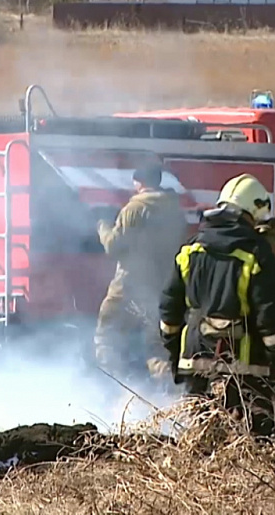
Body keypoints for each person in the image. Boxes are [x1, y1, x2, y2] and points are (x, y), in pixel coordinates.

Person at [158, 173, 275, 442]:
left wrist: (175, 357)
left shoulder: (190, 249)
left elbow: (169, 311)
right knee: (255, 443)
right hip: (246, 367)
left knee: (199, 439)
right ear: (254, 212)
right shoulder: (257, 254)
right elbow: (272, 324)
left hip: (196, 359)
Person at [94, 161, 190, 385]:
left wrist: (102, 224)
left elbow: (114, 246)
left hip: (129, 285)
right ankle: (171, 397)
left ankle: (113, 387)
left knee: (106, 337)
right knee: (156, 347)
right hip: (162, 285)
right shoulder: (174, 209)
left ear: (138, 182)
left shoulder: (135, 208)